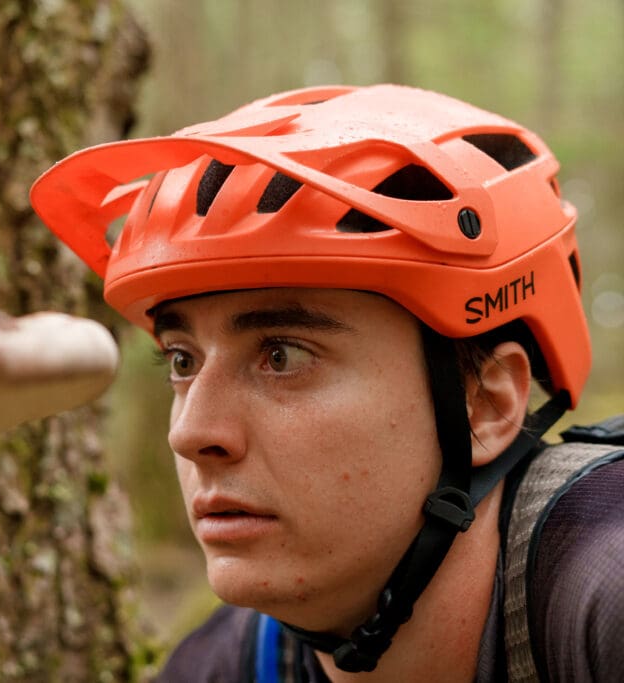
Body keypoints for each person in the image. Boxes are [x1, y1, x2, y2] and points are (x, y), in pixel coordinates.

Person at [30, 84, 624, 681]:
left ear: (485, 405)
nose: (191, 434)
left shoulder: (605, 590)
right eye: (182, 361)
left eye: (282, 356)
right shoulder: (220, 667)